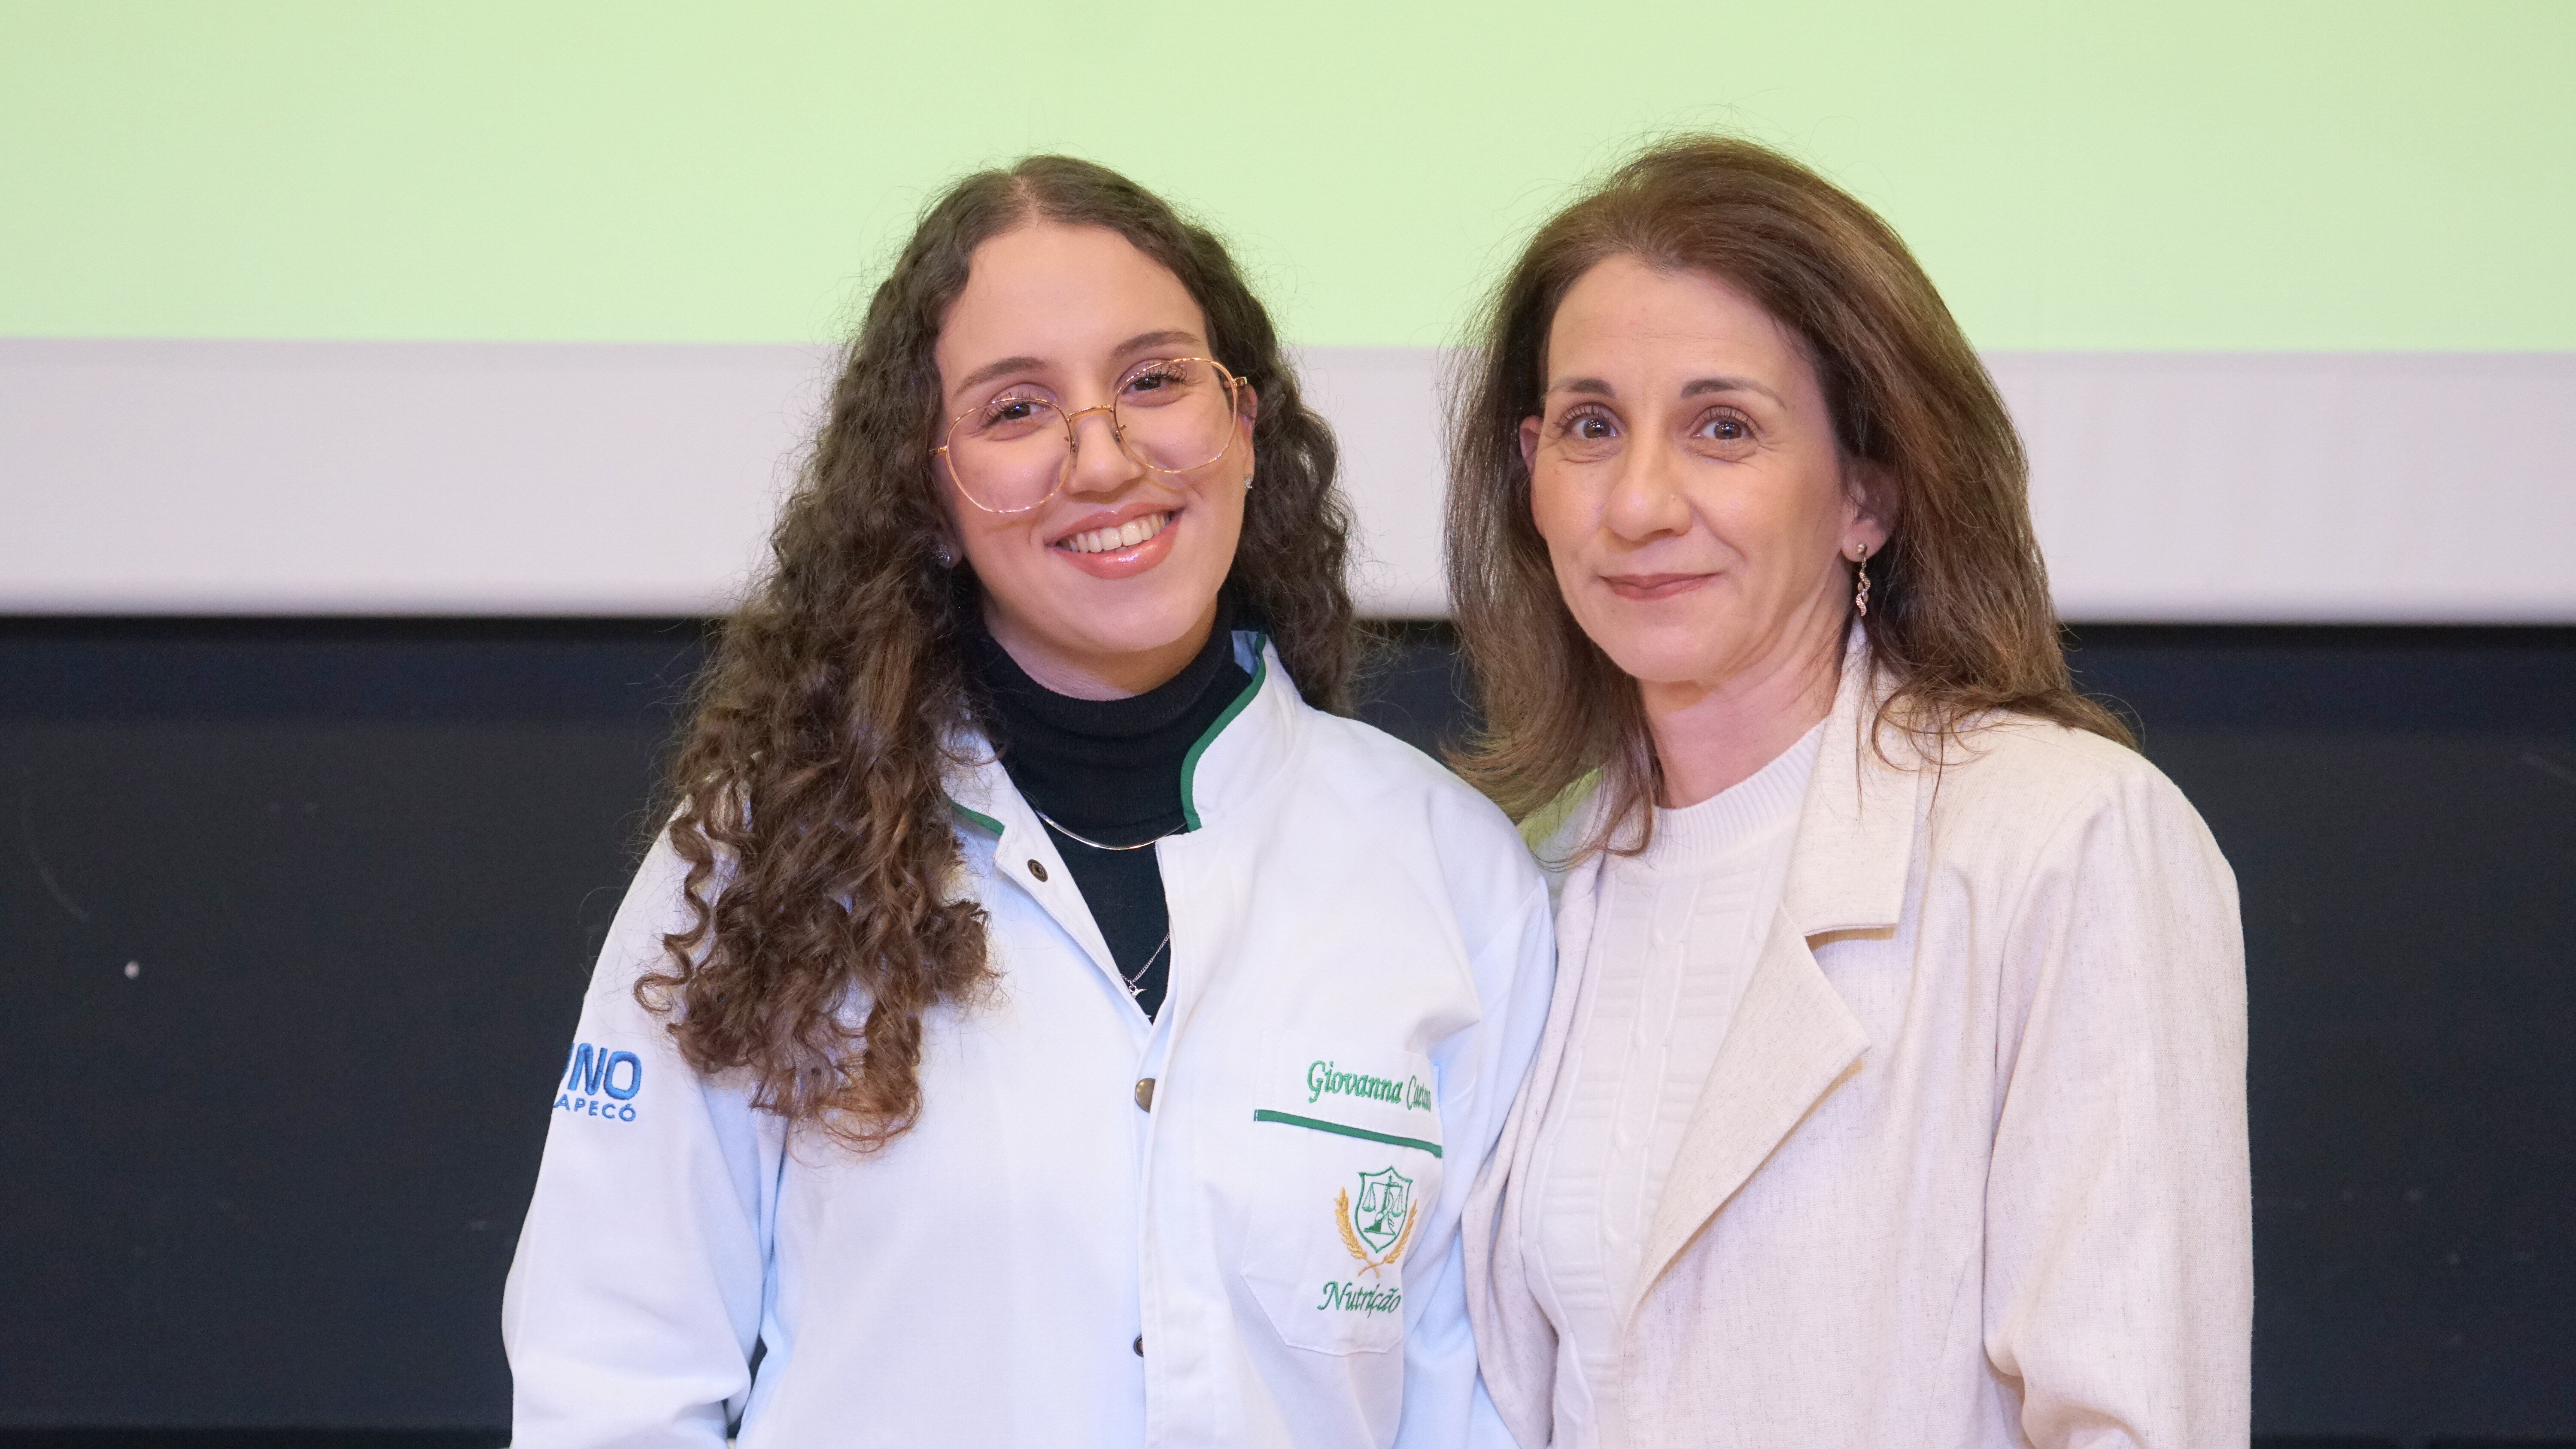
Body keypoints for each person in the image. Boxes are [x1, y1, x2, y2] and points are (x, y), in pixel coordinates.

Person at [503, 155, 1553, 1449]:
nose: (1102, 459)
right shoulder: (764, 857)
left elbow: (1473, 1414)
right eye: (1016, 409)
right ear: (929, 498)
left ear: (1244, 426)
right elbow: (610, 1378)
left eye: (1155, 381)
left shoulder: (1449, 872)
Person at [1449, 136, 2250, 1448]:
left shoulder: (2065, 839)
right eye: (1592, 427)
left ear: (1865, 495)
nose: (1638, 502)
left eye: (1723, 428)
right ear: (1531, 470)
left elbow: (2133, 1413)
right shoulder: (1521, 881)